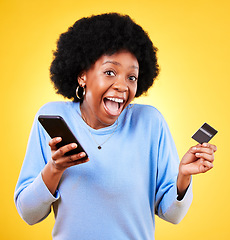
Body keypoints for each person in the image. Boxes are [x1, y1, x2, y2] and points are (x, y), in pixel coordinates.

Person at [14, 13, 217, 240]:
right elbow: (29, 214)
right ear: (83, 75)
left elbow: (172, 215)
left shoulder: (150, 123)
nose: (122, 85)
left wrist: (183, 177)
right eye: (110, 72)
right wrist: (54, 168)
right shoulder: (52, 117)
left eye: (132, 77)